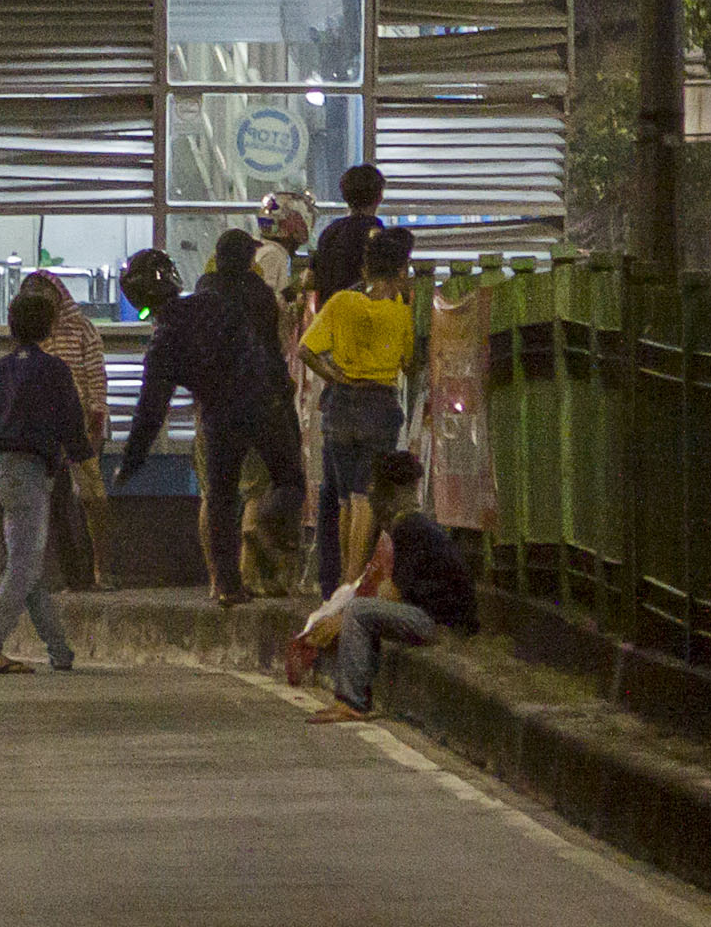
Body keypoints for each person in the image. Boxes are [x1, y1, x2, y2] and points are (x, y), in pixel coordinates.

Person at [118, 232, 306, 605]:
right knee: (290, 480)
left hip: (219, 417)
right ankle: (264, 524)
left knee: (220, 500)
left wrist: (132, 460)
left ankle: (227, 586)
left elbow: (150, 410)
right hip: (262, 405)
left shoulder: (163, 342)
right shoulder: (214, 304)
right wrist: (277, 392)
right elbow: (259, 350)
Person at [307, 447, 483, 721]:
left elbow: (394, 595)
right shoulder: (415, 526)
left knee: (357, 613)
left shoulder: (410, 527)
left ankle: (352, 702)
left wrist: (342, 620)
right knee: (360, 611)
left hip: (441, 624)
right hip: (438, 617)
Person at [0, 283, 84, 675]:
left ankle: (60, 650)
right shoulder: (54, 370)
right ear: (49, 328)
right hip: (26, 474)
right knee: (25, 567)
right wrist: (89, 469)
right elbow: (72, 427)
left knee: (20, 567)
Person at [300, 225, 420, 594]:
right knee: (364, 496)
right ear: (400, 273)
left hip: (341, 405)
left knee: (343, 500)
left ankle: (338, 583)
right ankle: (352, 582)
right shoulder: (400, 313)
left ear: (366, 270)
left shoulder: (340, 302)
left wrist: (333, 374)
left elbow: (306, 350)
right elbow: (408, 364)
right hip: (379, 405)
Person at [18, 270, 113, 593]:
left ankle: (97, 566)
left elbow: (96, 374)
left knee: (91, 499)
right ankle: (76, 573)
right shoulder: (35, 336)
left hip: (83, 425)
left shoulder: (81, 328)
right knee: (60, 502)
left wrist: (96, 417)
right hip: (49, 432)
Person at [306, 164, 387, 309]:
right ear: (379, 196)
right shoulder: (376, 232)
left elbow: (311, 278)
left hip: (328, 315)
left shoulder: (330, 230)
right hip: (360, 314)